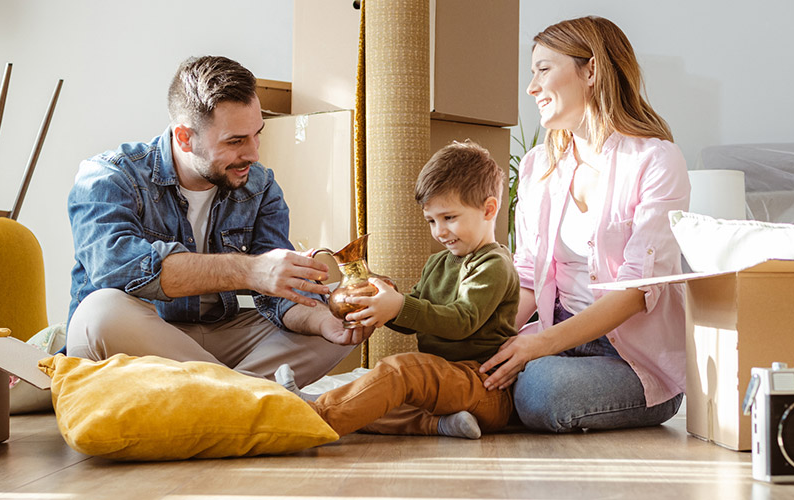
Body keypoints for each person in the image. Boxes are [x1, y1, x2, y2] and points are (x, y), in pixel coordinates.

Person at [65, 56, 367, 387]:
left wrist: (326, 320)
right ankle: (246, 395)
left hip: (219, 336)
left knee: (344, 305)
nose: (253, 153)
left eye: (257, 135)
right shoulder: (110, 176)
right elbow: (115, 267)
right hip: (143, 340)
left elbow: (280, 296)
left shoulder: (260, 186)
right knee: (100, 312)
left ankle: (222, 397)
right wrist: (251, 271)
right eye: (236, 141)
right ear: (184, 138)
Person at [479, 16, 690, 432]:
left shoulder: (657, 160)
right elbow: (526, 274)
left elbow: (635, 291)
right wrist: (489, 344)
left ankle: (490, 402)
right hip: (553, 337)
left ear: (590, 70)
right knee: (472, 366)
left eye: (543, 69)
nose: (531, 87)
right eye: (532, 73)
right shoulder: (539, 165)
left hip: (627, 361)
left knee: (542, 389)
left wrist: (538, 346)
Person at [278, 141, 518, 440]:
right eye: (431, 221)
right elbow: (415, 311)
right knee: (374, 397)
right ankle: (442, 425)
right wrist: (381, 307)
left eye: (449, 218)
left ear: (488, 209)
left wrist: (399, 306)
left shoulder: (494, 264)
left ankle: (313, 416)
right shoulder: (438, 263)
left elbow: (461, 320)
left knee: (399, 372)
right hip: (445, 382)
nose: (439, 231)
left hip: (484, 385)